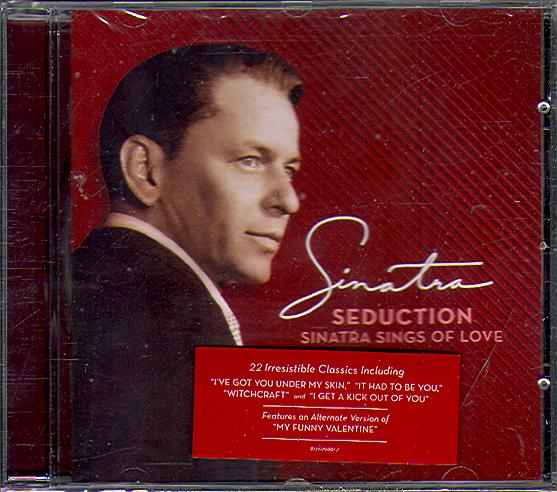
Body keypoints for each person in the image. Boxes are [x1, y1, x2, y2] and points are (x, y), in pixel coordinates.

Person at [70, 44, 304, 482]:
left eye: (289, 169)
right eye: (251, 161)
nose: (287, 200)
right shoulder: (174, 325)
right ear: (145, 170)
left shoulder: (84, 288)